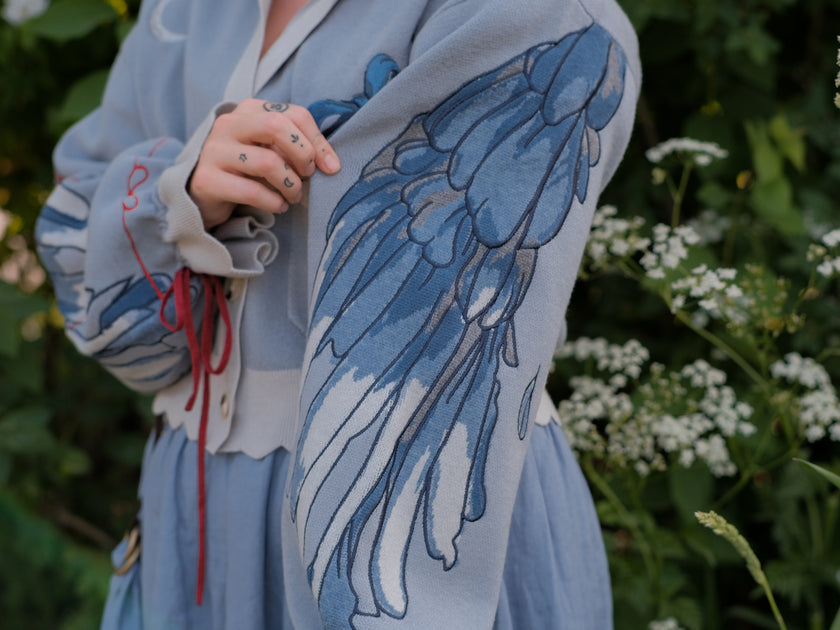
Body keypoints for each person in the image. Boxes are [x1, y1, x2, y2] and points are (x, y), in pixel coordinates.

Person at [36, 0, 641, 628]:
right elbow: (99, 299)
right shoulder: (182, 12)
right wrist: (179, 193)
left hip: (407, 524)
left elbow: (415, 396)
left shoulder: (521, 12)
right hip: (187, 521)